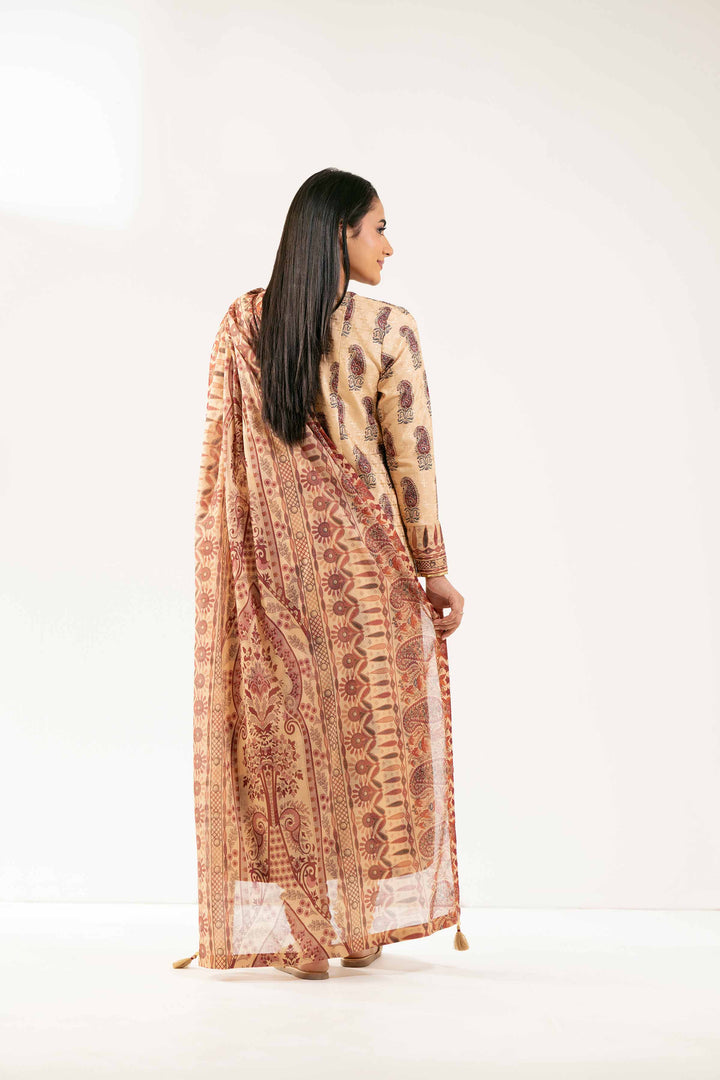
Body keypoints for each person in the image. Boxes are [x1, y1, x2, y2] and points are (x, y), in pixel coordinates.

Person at [174, 168, 467, 981]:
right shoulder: (389, 327)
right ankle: (359, 927)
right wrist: (433, 568)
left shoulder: (244, 322)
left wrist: (228, 570)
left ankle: (309, 936)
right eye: (379, 227)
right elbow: (411, 456)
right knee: (368, 742)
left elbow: (219, 460)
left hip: (272, 571)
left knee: (291, 745)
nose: (388, 246)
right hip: (370, 570)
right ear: (341, 231)